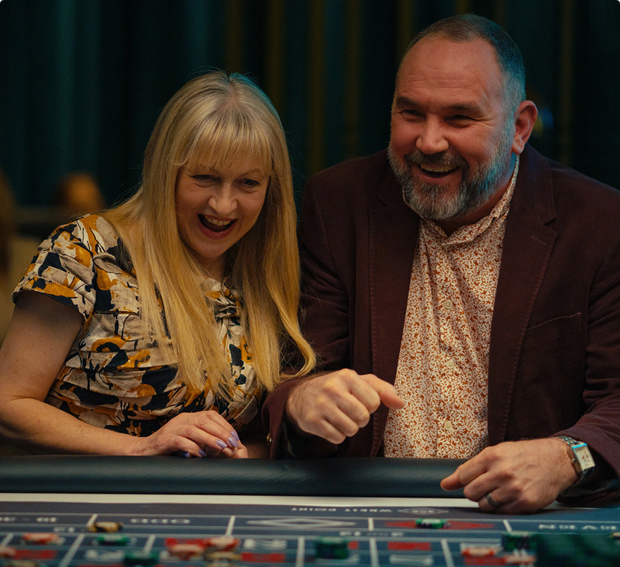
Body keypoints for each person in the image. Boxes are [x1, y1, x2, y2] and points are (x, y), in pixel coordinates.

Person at [262, 14, 620, 513]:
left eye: (459, 119)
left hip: (525, 515)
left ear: (519, 128)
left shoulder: (600, 223)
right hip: (368, 504)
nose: (429, 142)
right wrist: (303, 401)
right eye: (411, 114)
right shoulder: (338, 203)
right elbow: (297, 371)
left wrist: (565, 457)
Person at [0, 71, 315, 458]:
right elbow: (8, 405)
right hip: (86, 504)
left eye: (248, 183)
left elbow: (257, 434)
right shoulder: (84, 251)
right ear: (165, 171)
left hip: (211, 509)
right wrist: (142, 449)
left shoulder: (263, 275)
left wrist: (241, 454)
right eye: (205, 178)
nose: (223, 205)